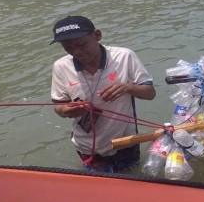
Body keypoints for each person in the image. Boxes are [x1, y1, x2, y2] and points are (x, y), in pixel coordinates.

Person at [50, 16, 156, 173]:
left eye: (81, 44)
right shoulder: (61, 67)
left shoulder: (124, 57)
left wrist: (127, 87)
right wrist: (67, 110)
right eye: (68, 48)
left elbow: (150, 93)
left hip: (125, 142)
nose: (77, 52)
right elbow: (58, 105)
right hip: (86, 147)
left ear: (97, 35)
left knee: (132, 182)